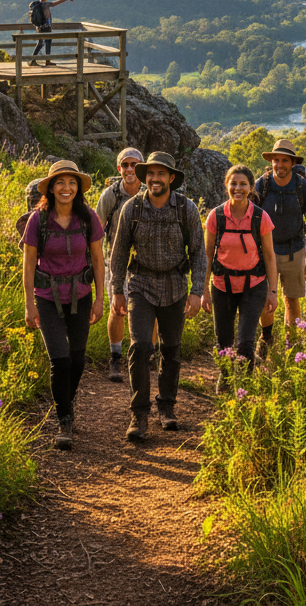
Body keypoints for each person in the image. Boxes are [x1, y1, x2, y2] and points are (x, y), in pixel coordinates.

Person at [109, 151, 207, 441]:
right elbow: (119, 252)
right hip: (140, 284)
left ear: (171, 178)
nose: (155, 179)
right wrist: (117, 291)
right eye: (150, 173)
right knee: (140, 347)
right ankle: (138, 413)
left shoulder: (186, 209)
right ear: (145, 177)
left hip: (176, 285)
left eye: (161, 174)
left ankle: (167, 407)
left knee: (172, 348)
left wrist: (197, 291)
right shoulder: (132, 208)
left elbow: (199, 252)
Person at [22, 160, 105, 450]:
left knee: (78, 360)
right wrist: (29, 304)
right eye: (60, 182)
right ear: (51, 188)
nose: (66, 188)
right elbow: (29, 262)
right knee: (60, 361)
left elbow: (97, 259)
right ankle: (64, 420)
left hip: (80, 295)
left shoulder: (89, 217)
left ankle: (66, 401)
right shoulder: (39, 220)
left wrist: (99, 299)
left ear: (78, 188)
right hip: (46, 298)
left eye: (71, 183)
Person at [202, 165, 278, 382]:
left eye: (243, 184)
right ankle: (225, 381)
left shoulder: (260, 217)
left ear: (251, 187)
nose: (238, 188)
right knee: (223, 342)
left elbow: (270, 256)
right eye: (233, 183)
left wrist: (272, 291)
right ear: (226, 186)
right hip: (221, 287)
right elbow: (207, 255)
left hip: (253, 287)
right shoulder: (215, 217)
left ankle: (245, 387)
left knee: (245, 342)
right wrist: (203, 290)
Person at [255, 139, 306, 349]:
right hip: (265, 252)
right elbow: (249, 218)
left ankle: (291, 345)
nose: (279, 164)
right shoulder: (261, 185)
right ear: (271, 161)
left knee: (291, 300)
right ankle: (266, 339)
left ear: (293, 163)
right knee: (265, 299)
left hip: (294, 251)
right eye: (276, 160)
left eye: (285, 160)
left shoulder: (303, 187)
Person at [95, 147, 148, 383]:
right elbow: (96, 231)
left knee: (150, 312)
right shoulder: (111, 195)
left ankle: (149, 357)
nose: (130, 169)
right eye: (125, 165)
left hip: (146, 263)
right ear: (119, 168)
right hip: (115, 262)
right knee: (118, 310)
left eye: (134, 165)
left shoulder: (150, 192)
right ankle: (115, 358)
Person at [29, 0, 75, 66]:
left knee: (40, 43)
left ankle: (33, 60)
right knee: (48, 42)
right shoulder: (46, 5)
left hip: (40, 27)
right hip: (46, 27)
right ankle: (47, 61)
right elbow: (57, 2)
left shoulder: (37, 5)